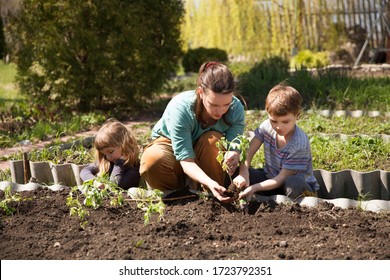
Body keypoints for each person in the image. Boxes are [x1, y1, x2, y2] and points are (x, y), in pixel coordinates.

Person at [139, 61, 245, 203]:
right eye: (213, 104)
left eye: (226, 104)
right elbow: (186, 160)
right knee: (152, 160)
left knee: (213, 140)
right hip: (173, 149)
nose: (220, 111)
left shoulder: (236, 108)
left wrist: (234, 152)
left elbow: (234, 144)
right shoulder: (181, 108)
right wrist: (208, 181)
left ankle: (213, 194)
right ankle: (179, 195)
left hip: (205, 152)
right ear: (201, 92)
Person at [234, 84, 319, 200]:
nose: (278, 127)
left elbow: (282, 178)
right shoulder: (266, 127)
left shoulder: (299, 144)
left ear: (297, 115)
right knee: (240, 173)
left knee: (293, 184)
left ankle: (293, 204)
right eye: (274, 121)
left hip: (296, 185)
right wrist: (243, 173)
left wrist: (254, 188)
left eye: (285, 122)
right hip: (271, 180)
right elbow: (249, 151)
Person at [80, 118, 141, 190]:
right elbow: (84, 171)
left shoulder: (134, 168)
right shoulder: (107, 162)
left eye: (111, 152)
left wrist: (120, 163)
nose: (108, 157)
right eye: (104, 154)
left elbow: (115, 184)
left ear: (124, 145)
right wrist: (94, 182)